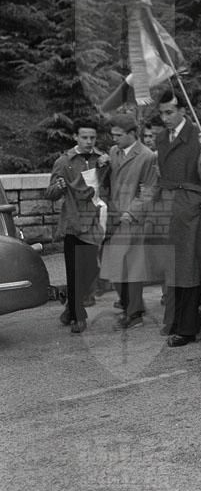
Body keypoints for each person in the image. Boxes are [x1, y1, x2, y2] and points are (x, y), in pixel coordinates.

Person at [155, 90, 201, 347]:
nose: (165, 118)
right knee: (174, 266)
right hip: (171, 208)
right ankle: (176, 320)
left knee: (190, 267)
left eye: (170, 112)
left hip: (191, 210)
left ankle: (187, 327)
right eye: (162, 113)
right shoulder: (162, 138)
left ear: (183, 110)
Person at [45, 117, 109, 333]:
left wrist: (106, 167)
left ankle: (69, 308)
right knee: (74, 272)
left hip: (94, 222)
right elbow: (50, 194)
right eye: (84, 137)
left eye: (92, 137)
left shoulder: (101, 159)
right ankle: (77, 316)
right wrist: (59, 186)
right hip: (73, 223)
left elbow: (108, 187)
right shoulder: (64, 162)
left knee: (91, 270)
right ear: (75, 137)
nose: (89, 142)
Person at [100, 114, 158, 329]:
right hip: (113, 216)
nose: (114, 139)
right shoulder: (113, 152)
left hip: (132, 219)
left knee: (131, 267)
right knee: (113, 264)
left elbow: (149, 190)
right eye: (113, 135)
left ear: (132, 133)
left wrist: (132, 213)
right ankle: (131, 307)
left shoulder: (147, 156)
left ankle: (134, 313)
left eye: (119, 135)